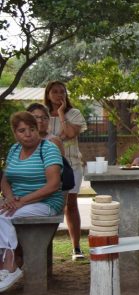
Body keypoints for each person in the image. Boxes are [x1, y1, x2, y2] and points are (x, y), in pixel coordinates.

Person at [0, 112, 64, 292]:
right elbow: (5, 180)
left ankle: (10, 265)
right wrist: (10, 198)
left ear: (38, 130)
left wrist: (22, 202)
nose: (28, 134)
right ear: (15, 133)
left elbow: (53, 185)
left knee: (4, 216)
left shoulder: (48, 148)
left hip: (46, 203)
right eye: (22, 131)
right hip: (17, 201)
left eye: (32, 129)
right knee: (4, 212)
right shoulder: (14, 150)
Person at [44, 81, 86, 261]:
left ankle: (76, 248)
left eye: (62, 91)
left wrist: (61, 113)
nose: (59, 94)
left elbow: (69, 134)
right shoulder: (42, 115)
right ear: (48, 94)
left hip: (72, 165)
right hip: (46, 167)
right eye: (54, 91)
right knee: (48, 205)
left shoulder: (74, 113)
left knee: (71, 205)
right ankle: (44, 248)